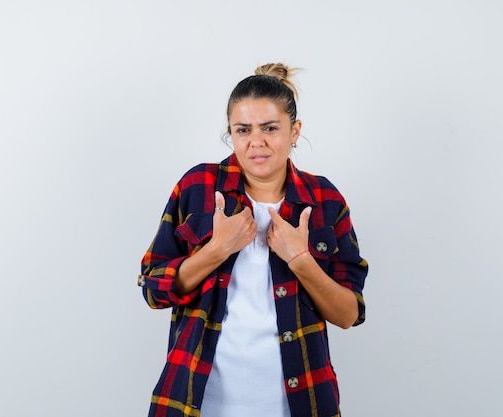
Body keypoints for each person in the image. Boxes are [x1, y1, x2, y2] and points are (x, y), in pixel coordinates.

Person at [138, 63, 368, 417]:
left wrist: (301, 261)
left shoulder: (325, 199)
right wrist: (217, 250)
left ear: (295, 131)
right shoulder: (197, 188)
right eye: (243, 129)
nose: (256, 142)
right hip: (196, 403)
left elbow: (348, 314)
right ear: (230, 133)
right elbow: (153, 290)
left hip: (300, 402)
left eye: (270, 128)